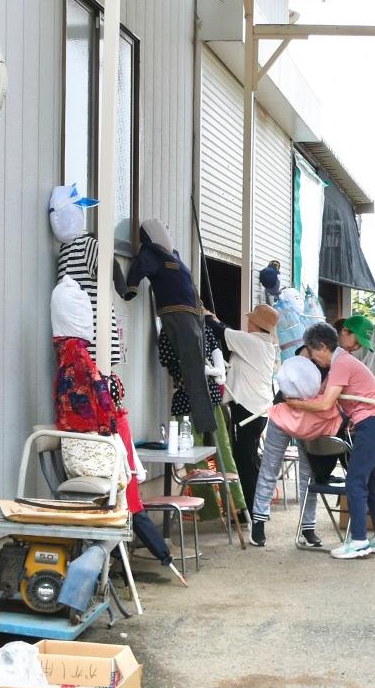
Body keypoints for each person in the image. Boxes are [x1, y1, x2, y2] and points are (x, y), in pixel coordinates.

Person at [289, 323, 375, 560]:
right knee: (373, 483)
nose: (314, 360)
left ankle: (358, 541)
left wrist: (294, 405)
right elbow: (323, 394)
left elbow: (325, 403)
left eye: (313, 353)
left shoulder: (341, 363)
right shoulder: (343, 362)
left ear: (323, 347)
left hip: (373, 423)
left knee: (356, 482)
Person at [112, 219, 217, 434]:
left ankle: (205, 426)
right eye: (165, 228)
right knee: (194, 369)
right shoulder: (151, 253)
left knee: (198, 364)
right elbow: (138, 268)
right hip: (177, 314)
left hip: (195, 315)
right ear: (153, 233)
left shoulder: (175, 255)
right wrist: (129, 288)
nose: (169, 230)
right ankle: (204, 427)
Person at [249, 354, 340, 550]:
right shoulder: (305, 355)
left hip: (309, 417)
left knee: (308, 473)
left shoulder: (336, 361)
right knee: (270, 467)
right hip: (283, 413)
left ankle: (308, 527)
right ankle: (258, 522)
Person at [220, 305, 280, 532]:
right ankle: (256, 510)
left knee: (245, 462)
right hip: (256, 410)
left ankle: (252, 513)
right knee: (250, 460)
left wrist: (209, 317)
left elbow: (220, 331)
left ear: (255, 324)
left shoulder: (251, 342)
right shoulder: (263, 345)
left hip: (246, 411)